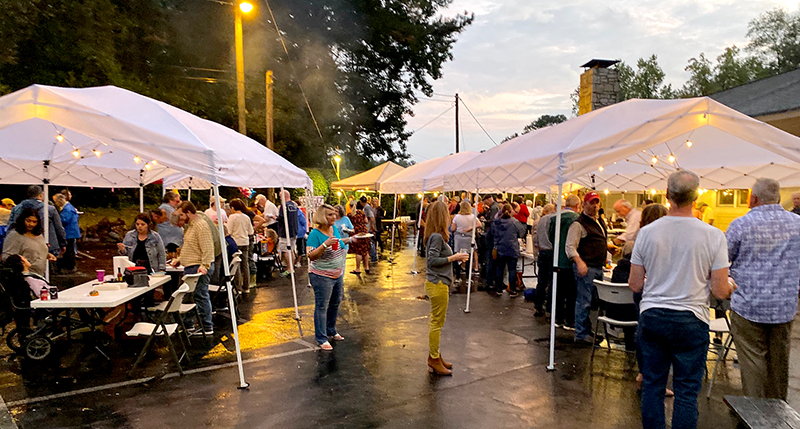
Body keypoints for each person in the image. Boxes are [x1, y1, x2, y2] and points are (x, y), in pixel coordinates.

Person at [629, 170, 734, 429]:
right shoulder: (713, 236)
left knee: (653, 386)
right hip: (691, 319)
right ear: (696, 197)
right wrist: (730, 285)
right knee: (687, 392)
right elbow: (721, 291)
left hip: (653, 315)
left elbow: (634, 284)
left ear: (667, 195)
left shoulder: (647, 232)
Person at [726, 178, 800, 400]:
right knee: (779, 364)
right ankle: (777, 412)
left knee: (752, 364)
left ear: (753, 198)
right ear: (777, 197)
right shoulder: (797, 223)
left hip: (748, 305)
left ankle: (754, 415)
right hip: (784, 307)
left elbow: (722, 260)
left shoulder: (740, 225)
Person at [306, 204, 364, 350]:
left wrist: (350, 240)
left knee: (335, 303)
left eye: (334, 214)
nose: (334, 217)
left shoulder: (334, 229)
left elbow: (337, 243)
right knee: (322, 306)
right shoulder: (315, 234)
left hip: (337, 274)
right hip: (321, 276)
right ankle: (321, 338)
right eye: (330, 215)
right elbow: (311, 255)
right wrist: (324, 245)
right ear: (322, 217)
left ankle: (331, 330)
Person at [424, 201, 469, 375]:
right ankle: (433, 358)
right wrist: (453, 258)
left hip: (438, 282)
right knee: (436, 323)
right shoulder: (437, 236)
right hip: (438, 283)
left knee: (436, 322)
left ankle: (435, 355)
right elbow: (432, 260)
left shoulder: (434, 235)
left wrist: (453, 258)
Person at [565, 191, 609, 344]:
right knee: (584, 301)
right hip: (587, 267)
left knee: (592, 302)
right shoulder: (578, 224)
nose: (595, 205)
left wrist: (608, 246)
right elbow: (570, 247)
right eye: (592, 202)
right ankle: (581, 334)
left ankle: (587, 330)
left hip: (597, 266)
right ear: (584, 204)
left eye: (597, 202)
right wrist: (579, 262)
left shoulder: (599, 222)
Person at [171, 202, 215, 336]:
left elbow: (207, 247)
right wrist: (180, 260)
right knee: (190, 297)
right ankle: (189, 324)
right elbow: (192, 246)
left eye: (182, 215)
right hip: (192, 266)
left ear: (189, 212)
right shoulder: (192, 226)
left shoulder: (200, 226)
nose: (181, 218)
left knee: (200, 296)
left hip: (198, 267)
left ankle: (207, 326)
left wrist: (205, 266)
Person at [549, 195, 581, 330]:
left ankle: (558, 319)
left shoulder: (554, 219)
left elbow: (551, 237)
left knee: (559, 291)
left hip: (557, 258)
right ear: (578, 205)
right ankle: (570, 320)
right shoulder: (577, 219)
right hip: (570, 260)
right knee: (572, 292)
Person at [7, 185, 66, 258]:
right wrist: (62, 243)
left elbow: (10, 227)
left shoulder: (16, 208)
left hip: (21, 245)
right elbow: (59, 228)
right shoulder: (50, 209)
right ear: (41, 195)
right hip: (46, 245)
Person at [2, 208, 56, 277]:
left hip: (39, 276)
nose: (31, 224)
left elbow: (36, 250)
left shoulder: (39, 235)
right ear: (22, 220)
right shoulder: (15, 235)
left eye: (34, 222)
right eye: (28, 221)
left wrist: (48, 255)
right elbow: (6, 257)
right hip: (23, 277)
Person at [490, 203, 525, 298]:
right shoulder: (515, 222)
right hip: (512, 248)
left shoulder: (496, 222)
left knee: (499, 269)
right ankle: (512, 290)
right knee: (512, 270)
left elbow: (492, 232)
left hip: (499, 247)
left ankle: (498, 289)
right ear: (511, 211)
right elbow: (521, 233)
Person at [227, 199, 254, 293]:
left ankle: (238, 288)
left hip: (235, 243)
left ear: (233, 208)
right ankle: (246, 287)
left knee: (236, 264)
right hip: (245, 242)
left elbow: (228, 231)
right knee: (245, 265)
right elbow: (251, 231)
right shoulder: (246, 217)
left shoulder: (232, 217)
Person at [533, 203, 555, 316]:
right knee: (551, 281)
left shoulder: (540, 220)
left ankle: (538, 306)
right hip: (551, 252)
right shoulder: (554, 220)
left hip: (542, 251)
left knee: (541, 281)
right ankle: (549, 308)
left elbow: (536, 239)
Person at [451, 200, 478, 282]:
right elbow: (479, 224)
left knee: (457, 257)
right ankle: (468, 277)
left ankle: (458, 276)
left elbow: (452, 228)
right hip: (468, 238)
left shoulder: (457, 217)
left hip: (459, 239)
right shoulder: (472, 217)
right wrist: (470, 228)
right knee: (468, 258)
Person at [275, 190, 299, 276]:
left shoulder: (284, 206)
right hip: (294, 230)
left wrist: (275, 217)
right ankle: (291, 268)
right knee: (291, 250)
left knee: (286, 250)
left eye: (281, 196)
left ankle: (289, 269)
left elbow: (282, 218)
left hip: (285, 232)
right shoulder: (294, 205)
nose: (280, 198)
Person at [58, 189, 80, 272]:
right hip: (72, 232)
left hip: (69, 232)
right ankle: (70, 266)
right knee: (70, 250)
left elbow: (64, 220)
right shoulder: (70, 207)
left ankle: (70, 267)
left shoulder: (67, 209)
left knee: (69, 251)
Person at [349, 199, 371, 274]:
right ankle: (367, 267)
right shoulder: (361, 212)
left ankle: (358, 268)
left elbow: (349, 225)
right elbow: (366, 221)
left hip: (357, 233)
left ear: (350, 206)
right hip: (364, 232)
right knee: (365, 250)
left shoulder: (350, 215)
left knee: (358, 252)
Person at [362, 196, 377, 262]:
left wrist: (371, 226)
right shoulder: (366, 207)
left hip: (368, 228)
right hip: (367, 227)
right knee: (368, 242)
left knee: (370, 242)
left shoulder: (367, 207)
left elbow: (372, 217)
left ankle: (373, 257)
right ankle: (368, 256)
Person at [295, 199, 308, 265]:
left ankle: (298, 261)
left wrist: (304, 231)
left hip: (299, 232)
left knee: (299, 247)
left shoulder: (299, 212)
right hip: (297, 232)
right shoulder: (299, 212)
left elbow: (303, 222)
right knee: (298, 247)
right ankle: (297, 261)